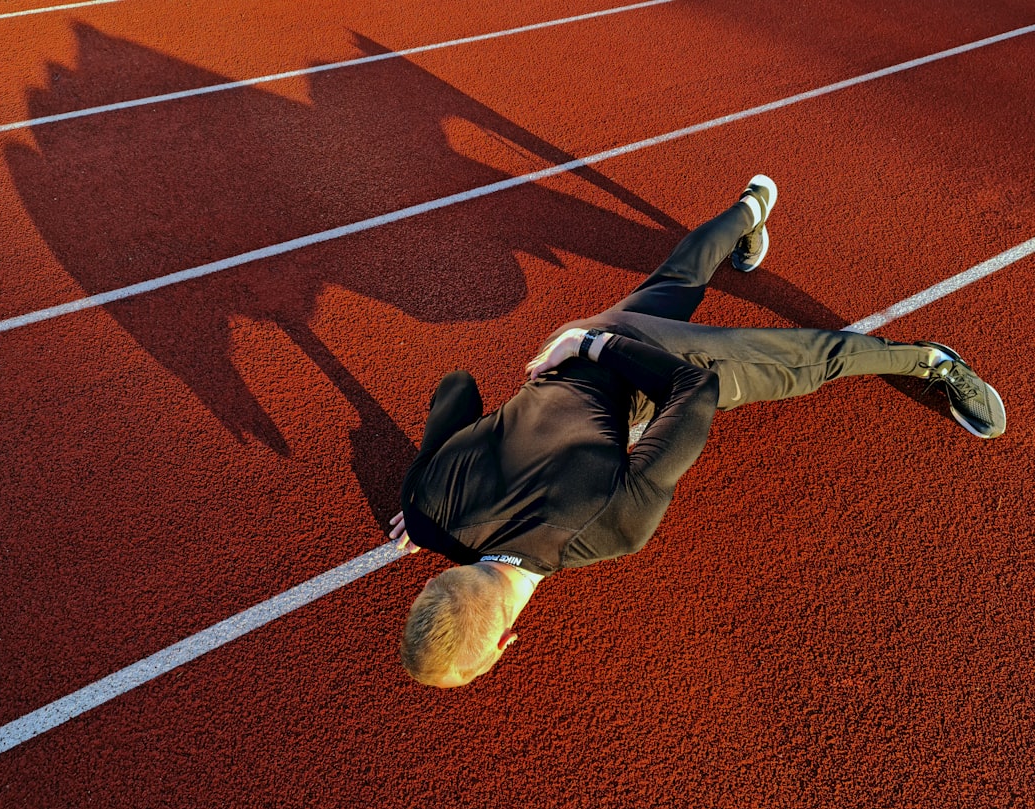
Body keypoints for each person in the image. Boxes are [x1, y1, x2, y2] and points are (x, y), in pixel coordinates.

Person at [388, 175, 1006, 688]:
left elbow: (695, 391)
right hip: (569, 345)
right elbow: (457, 386)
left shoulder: (609, 529)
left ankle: (932, 361)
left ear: (504, 642)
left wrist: (602, 348)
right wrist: (420, 501)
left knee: (802, 362)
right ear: (438, 577)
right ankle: (751, 207)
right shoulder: (425, 509)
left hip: (635, 361)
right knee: (673, 284)